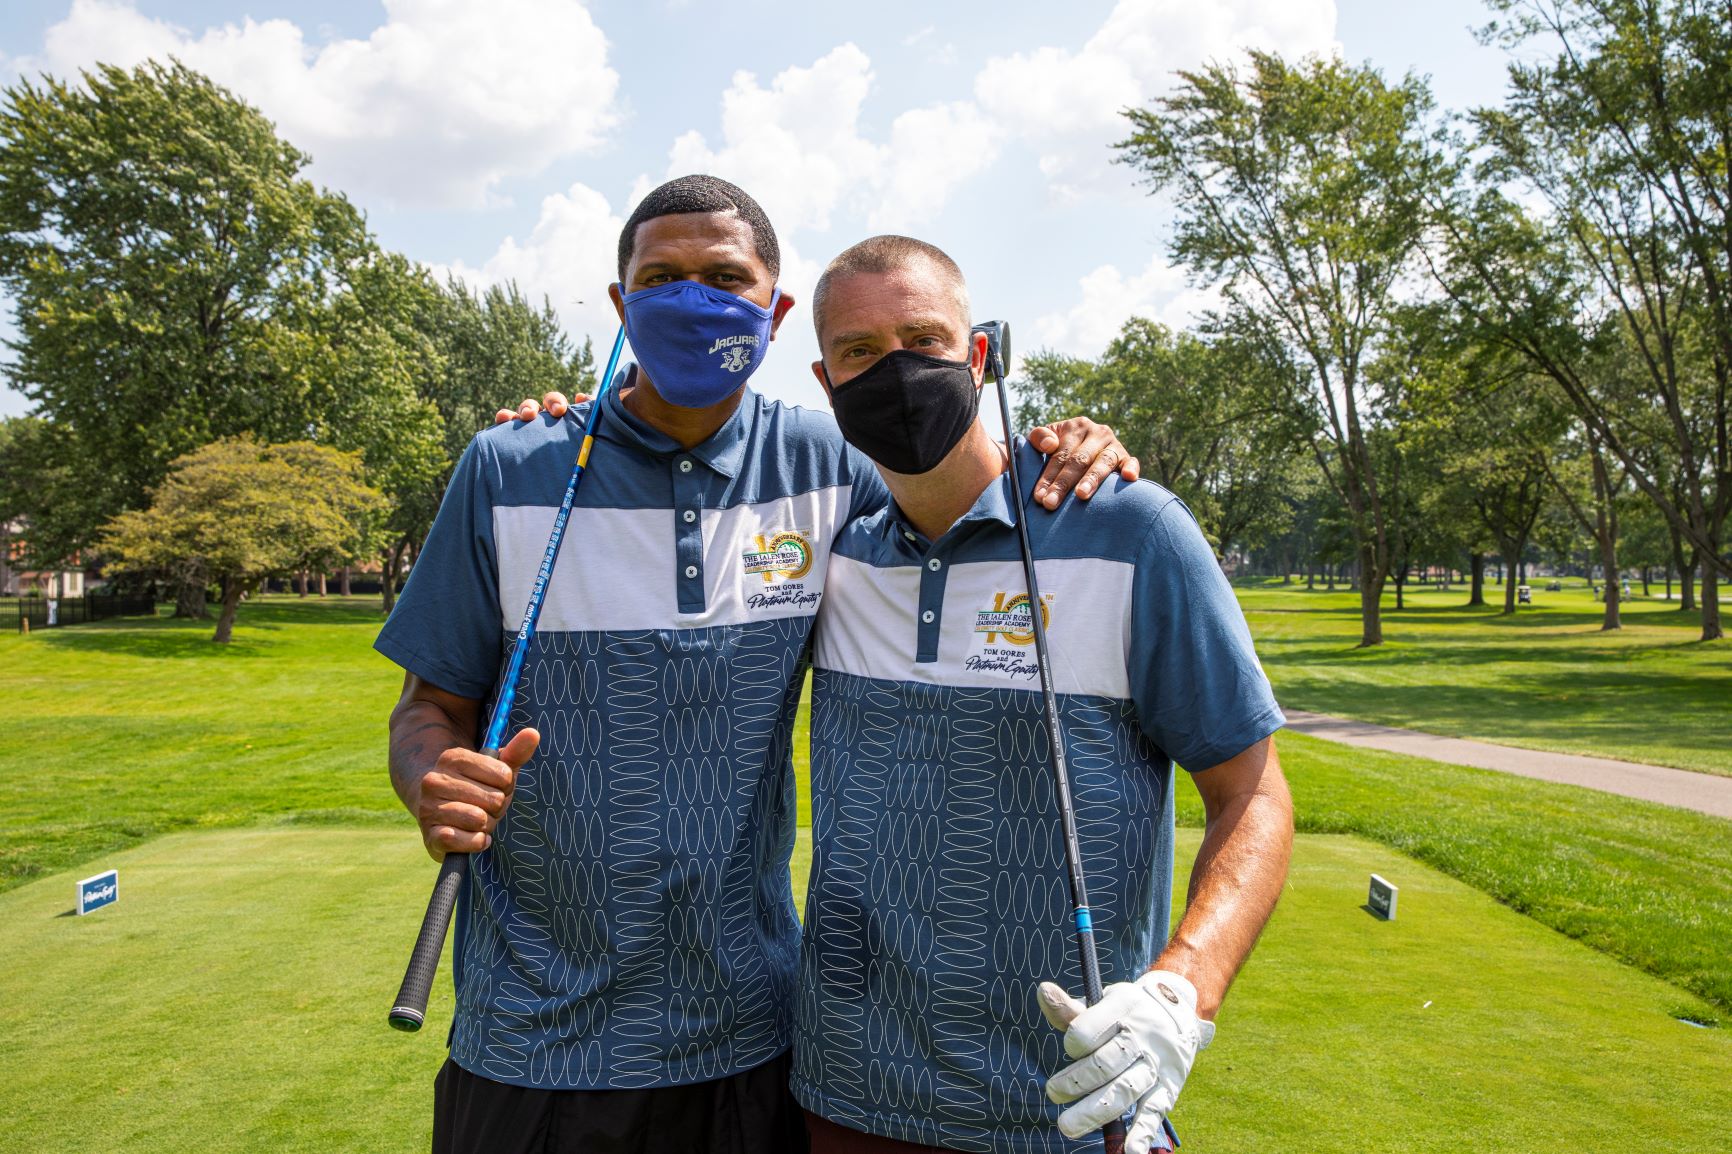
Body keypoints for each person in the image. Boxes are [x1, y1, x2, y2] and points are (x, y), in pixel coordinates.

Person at [381, 175, 1138, 1154]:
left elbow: (959, 473)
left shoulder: (833, 465)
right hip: (531, 1043)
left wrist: (1069, 444)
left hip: (749, 1038)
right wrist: (429, 780)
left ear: (774, 313)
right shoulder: (508, 465)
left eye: (723, 276)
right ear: (620, 306)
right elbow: (424, 708)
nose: (691, 296)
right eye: (660, 276)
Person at [791, 235, 1294, 1154]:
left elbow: (1251, 792)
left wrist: (1182, 988)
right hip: (842, 1094)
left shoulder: (1132, 530)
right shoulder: (838, 552)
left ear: (980, 357)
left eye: (923, 339)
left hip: (1072, 1104)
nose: (895, 369)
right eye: (860, 352)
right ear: (828, 384)